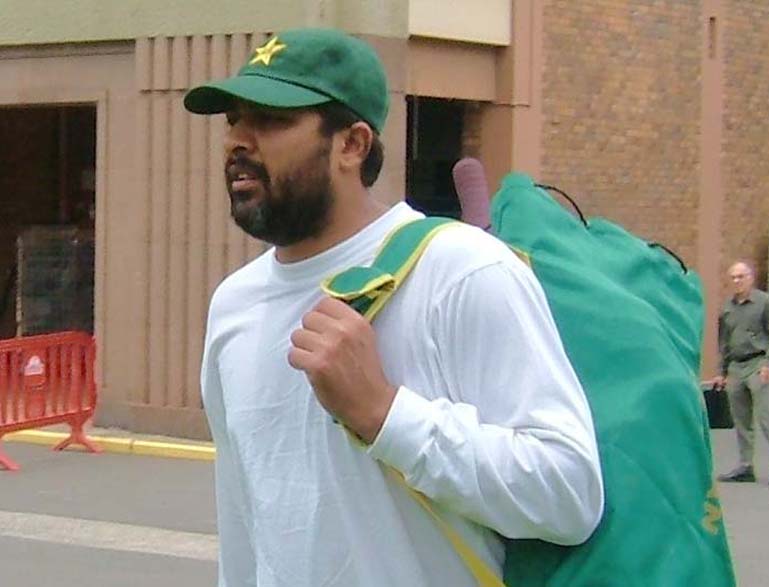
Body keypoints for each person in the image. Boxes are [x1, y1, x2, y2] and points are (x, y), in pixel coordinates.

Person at [185, 28, 603, 587]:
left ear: (352, 145)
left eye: (271, 120)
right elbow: (244, 522)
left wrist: (384, 413)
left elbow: (570, 494)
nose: (238, 141)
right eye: (234, 120)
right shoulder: (234, 305)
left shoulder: (463, 272)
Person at [715, 260, 769, 488]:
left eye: (741, 276)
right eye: (733, 277)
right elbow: (724, 342)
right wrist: (722, 371)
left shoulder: (764, 302)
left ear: (751, 278)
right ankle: (745, 465)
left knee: (764, 415)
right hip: (736, 366)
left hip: (757, 362)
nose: (737, 281)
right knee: (741, 419)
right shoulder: (727, 307)